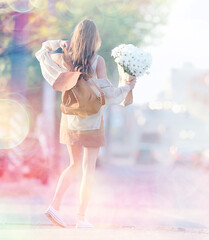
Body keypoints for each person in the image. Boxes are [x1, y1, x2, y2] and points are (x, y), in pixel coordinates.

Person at [35, 19, 136, 228]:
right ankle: (81, 218)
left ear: (77, 36)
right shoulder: (97, 61)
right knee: (88, 169)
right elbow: (107, 93)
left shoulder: (65, 57)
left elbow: (43, 50)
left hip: (70, 119)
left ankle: (54, 206)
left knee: (73, 165)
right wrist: (127, 87)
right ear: (95, 38)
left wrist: (61, 43)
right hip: (91, 121)